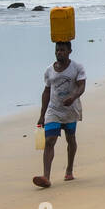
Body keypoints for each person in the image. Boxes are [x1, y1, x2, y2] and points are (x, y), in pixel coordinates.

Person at [34, 40, 86, 188]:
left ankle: (69, 169)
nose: (59, 53)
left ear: (70, 51)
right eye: (57, 50)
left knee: (70, 139)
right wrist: (42, 114)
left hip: (71, 110)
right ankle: (46, 177)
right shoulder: (49, 70)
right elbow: (47, 91)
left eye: (62, 50)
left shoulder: (77, 68)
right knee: (49, 140)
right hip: (54, 110)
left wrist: (73, 97)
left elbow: (82, 86)